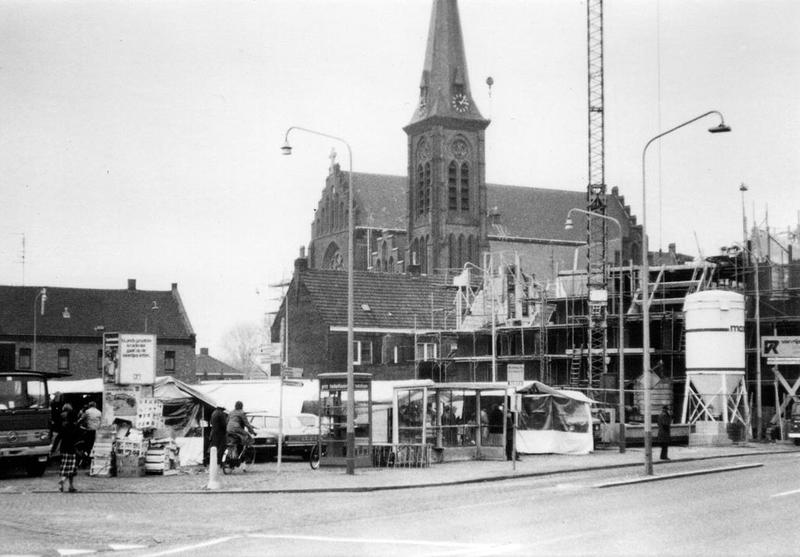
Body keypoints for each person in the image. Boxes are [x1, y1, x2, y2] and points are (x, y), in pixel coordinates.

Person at [58, 403, 79, 493]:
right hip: (71, 449)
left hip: (63, 448)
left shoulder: (63, 425)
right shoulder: (74, 426)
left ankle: (68, 486)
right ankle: (65, 482)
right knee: (72, 469)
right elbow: (76, 438)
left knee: (65, 468)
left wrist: (53, 449)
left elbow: (58, 437)